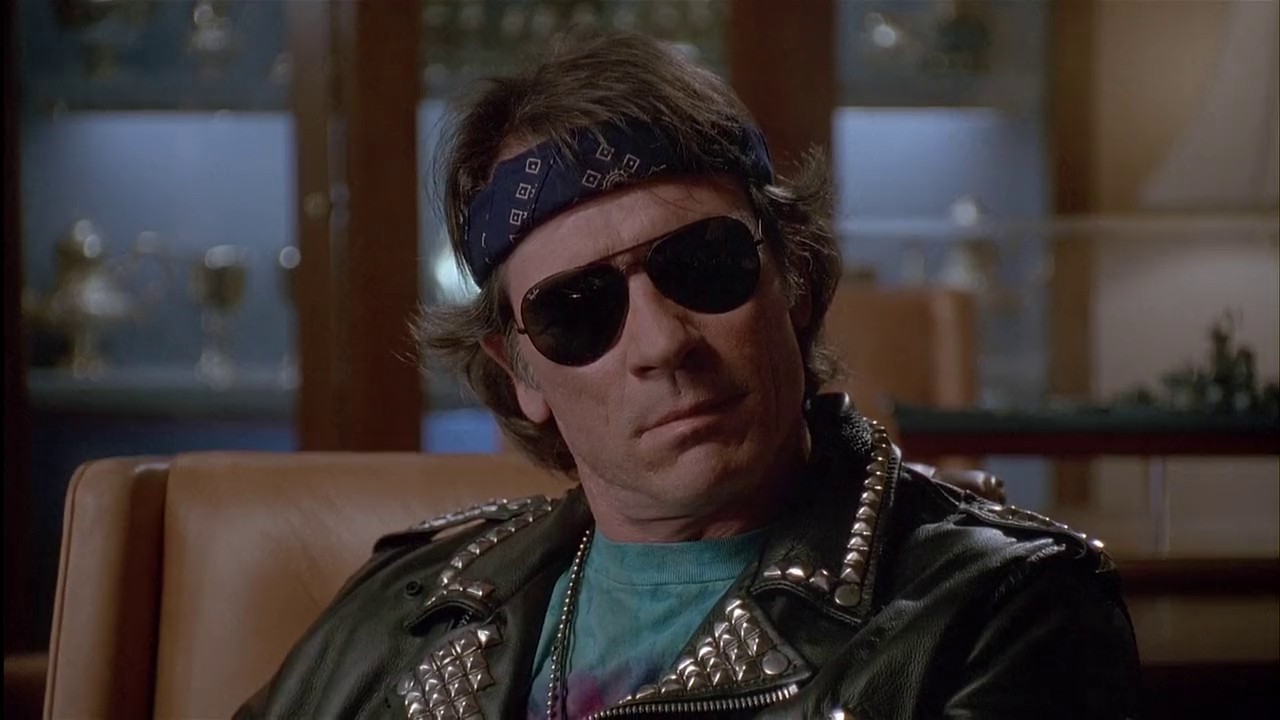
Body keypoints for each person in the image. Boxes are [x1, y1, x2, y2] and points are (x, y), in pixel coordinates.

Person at [236, 31, 1139, 720]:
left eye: (702, 266)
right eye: (578, 310)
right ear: (521, 375)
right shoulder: (410, 604)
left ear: (792, 278)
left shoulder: (1001, 613)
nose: (661, 343)